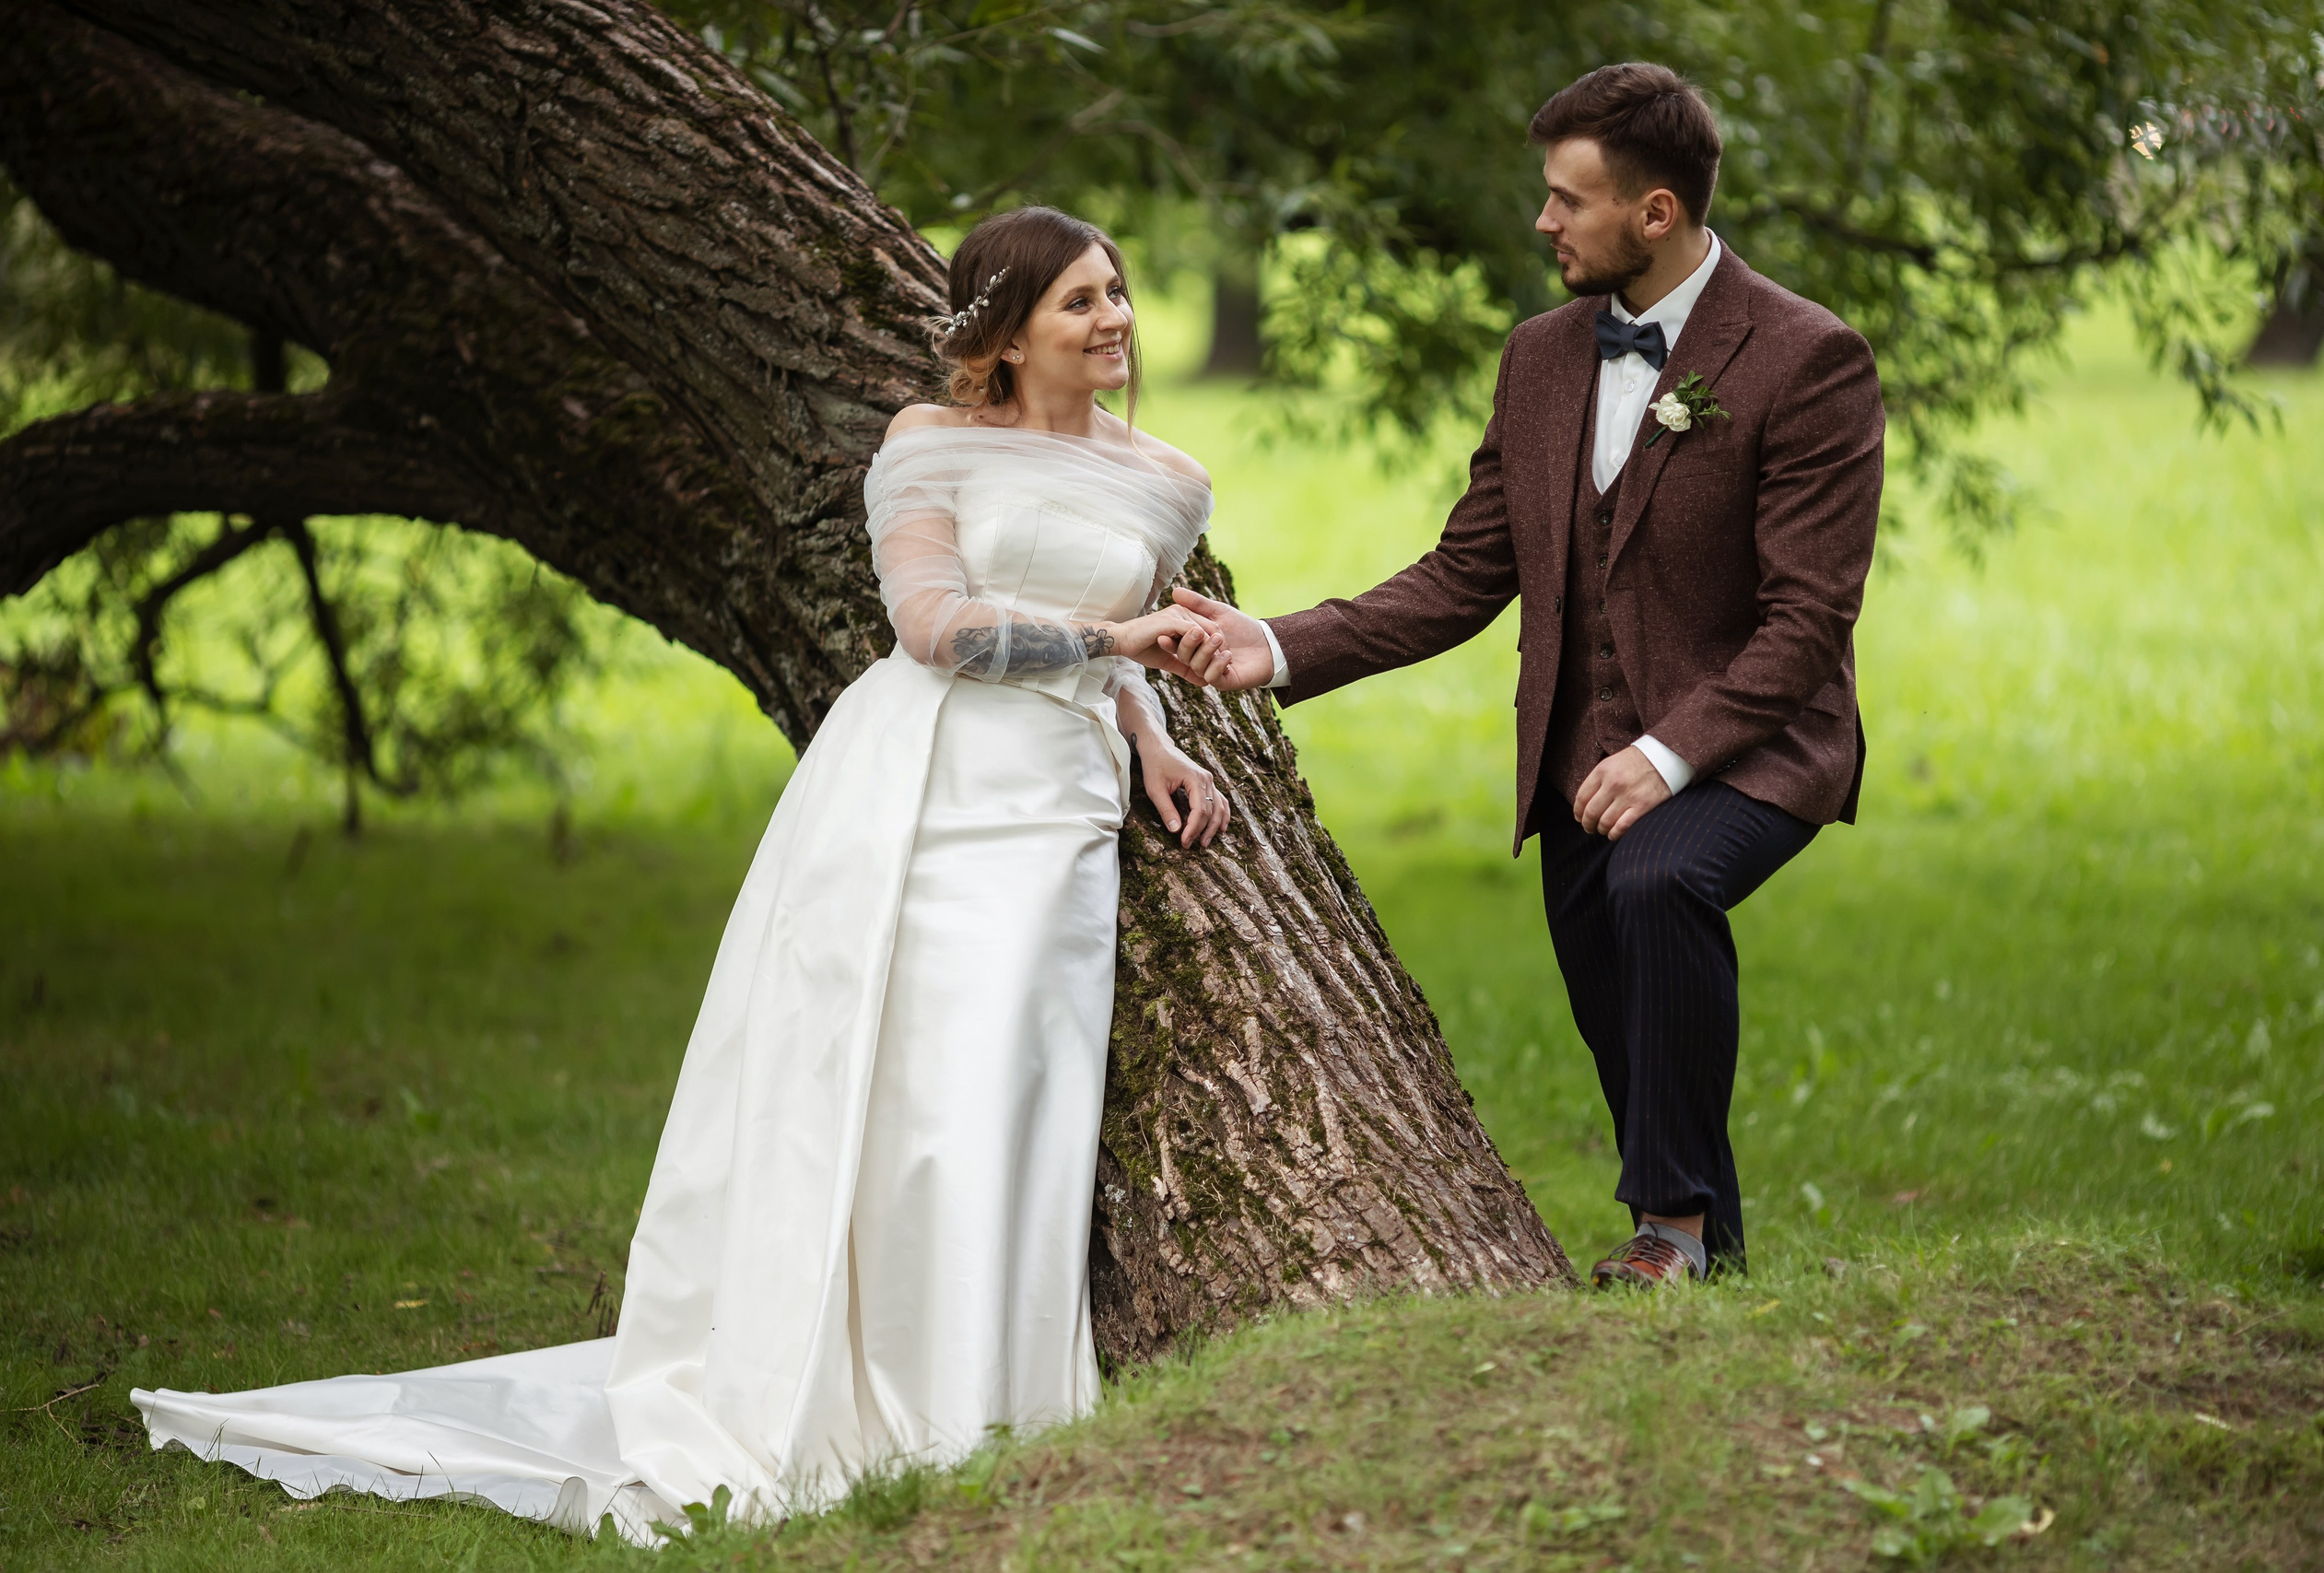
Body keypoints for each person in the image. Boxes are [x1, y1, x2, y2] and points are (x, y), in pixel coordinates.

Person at [132, 206, 1239, 1542]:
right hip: (915, 784)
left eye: (1116, 294)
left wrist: (1156, 740)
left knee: (1008, 1082)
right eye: (1079, 303)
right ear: (1003, 336)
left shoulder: (1168, 480)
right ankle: (861, 1389)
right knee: (888, 1084)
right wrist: (1114, 634)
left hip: (1056, 808)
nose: (1113, 319)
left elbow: (1119, 662)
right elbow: (936, 628)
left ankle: (985, 1398)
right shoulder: (929, 444)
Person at [1180, 63, 1884, 1288]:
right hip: (1576, 750)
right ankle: (1713, 1244)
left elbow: (1808, 623)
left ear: (1656, 213)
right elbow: (1465, 574)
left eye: (1569, 200)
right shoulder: (1543, 357)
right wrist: (1278, 645)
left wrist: (1668, 757)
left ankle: (1664, 1233)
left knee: (1660, 885)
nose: (1544, 223)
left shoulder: (1807, 359)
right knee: (1615, 981)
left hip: (1758, 742)